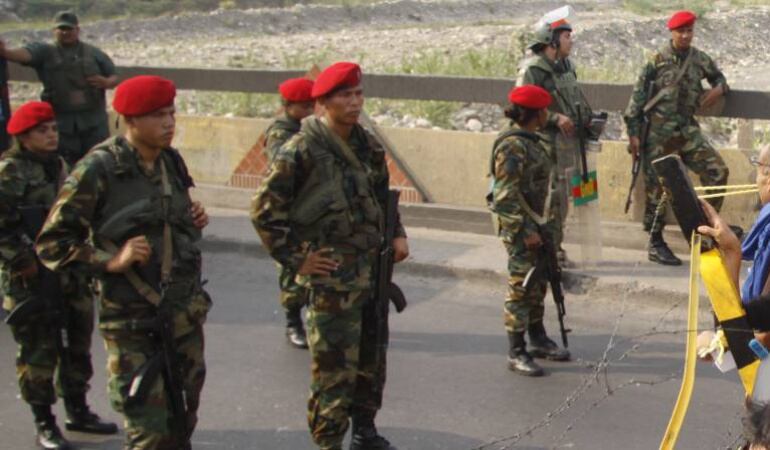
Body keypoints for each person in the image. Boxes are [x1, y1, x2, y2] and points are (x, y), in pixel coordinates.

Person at [35, 75, 211, 450]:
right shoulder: (98, 170)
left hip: (182, 314)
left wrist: (191, 218)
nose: (169, 123)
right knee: (150, 431)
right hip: (134, 322)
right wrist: (111, 260)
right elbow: (52, 243)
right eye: (156, 116)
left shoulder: (171, 163)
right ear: (130, 121)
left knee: (183, 420)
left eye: (171, 113)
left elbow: (171, 228)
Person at [251, 62, 409, 450]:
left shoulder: (367, 144)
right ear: (322, 103)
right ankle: (328, 442)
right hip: (332, 279)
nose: (354, 102)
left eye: (358, 94)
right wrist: (297, 259)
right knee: (333, 370)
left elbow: (381, 198)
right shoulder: (300, 150)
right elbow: (264, 212)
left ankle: (365, 429)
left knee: (372, 358)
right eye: (345, 96)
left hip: (371, 270)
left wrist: (399, 234)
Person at [0, 101, 117, 449]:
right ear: (23, 136)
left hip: (67, 270)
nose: (51, 135)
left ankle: (78, 410)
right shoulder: (10, 171)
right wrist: (21, 260)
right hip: (30, 276)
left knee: (77, 343)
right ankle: (44, 422)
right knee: (39, 351)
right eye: (42, 131)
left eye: (53, 128)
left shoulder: (59, 165)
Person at [625, 10, 729, 266]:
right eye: (680, 31)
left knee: (717, 171)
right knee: (657, 189)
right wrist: (634, 135)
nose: (685, 35)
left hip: (686, 132)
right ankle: (655, 241)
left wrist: (718, 89)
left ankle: (704, 227)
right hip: (658, 136)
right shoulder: (656, 61)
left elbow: (720, 78)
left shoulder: (699, 59)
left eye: (689, 31)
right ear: (671, 32)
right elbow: (636, 102)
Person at [488, 84, 570, 377]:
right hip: (521, 227)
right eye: (544, 110)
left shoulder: (530, 139)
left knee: (540, 282)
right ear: (535, 114)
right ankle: (516, 350)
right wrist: (525, 231)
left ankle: (537, 337)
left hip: (539, 223)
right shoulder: (513, 146)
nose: (547, 114)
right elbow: (504, 196)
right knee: (522, 287)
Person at [516, 10, 595, 266]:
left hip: (567, 144)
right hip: (544, 146)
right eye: (566, 36)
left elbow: (573, 97)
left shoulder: (566, 68)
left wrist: (586, 117)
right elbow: (521, 106)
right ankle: (549, 251)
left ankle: (555, 247)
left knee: (562, 199)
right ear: (551, 40)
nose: (571, 41)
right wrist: (554, 118)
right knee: (550, 199)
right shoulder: (533, 70)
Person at [0, 11, 118, 165]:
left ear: (78, 30)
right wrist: (5, 52)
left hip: (93, 120)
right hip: (61, 122)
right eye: (61, 29)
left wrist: (107, 82)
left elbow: (114, 75)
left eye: (69, 29)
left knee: (99, 161)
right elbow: (25, 54)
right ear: (53, 31)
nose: (65, 32)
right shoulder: (45, 52)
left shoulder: (93, 53)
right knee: (62, 163)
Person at [264, 77, 315, 348]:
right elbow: (282, 171)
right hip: (288, 215)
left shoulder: (309, 129)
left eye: (312, 106)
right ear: (287, 106)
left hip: (310, 212)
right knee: (291, 272)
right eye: (303, 106)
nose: (309, 111)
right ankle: (292, 321)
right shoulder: (281, 134)